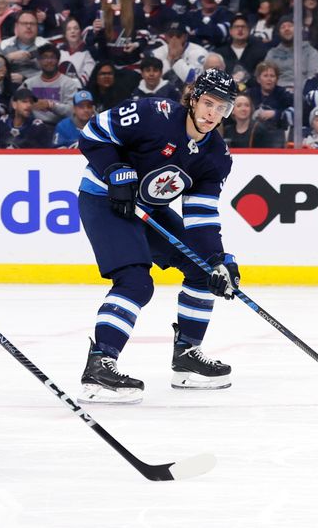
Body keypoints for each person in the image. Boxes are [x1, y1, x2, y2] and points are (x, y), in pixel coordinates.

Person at [76, 69, 239, 404]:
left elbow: (202, 218)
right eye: (208, 103)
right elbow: (91, 133)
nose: (212, 113)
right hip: (105, 198)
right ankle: (99, 364)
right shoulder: (153, 114)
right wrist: (113, 171)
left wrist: (217, 260)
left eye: (221, 108)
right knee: (136, 281)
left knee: (202, 271)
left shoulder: (216, 157)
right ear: (193, 98)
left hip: (148, 207)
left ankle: (187, 356)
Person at [20, 43, 80, 130]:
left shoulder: (69, 83)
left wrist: (51, 105)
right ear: (39, 61)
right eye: (44, 57)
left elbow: (72, 111)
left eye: (52, 57)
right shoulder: (29, 83)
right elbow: (15, 102)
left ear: (58, 61)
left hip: (60, 127)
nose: (49, 61)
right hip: (32, 128)